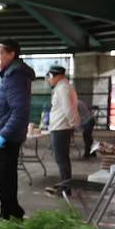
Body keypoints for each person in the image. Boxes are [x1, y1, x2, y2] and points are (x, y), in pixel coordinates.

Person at [0, 38, 35, 220]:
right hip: (5, 136)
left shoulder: (14, 75)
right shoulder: (12, 74)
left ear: (12, 54)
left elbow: (20, 110)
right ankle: (9, 213)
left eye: (0, 52)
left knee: (3, 178)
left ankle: (11, 215)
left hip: (6, 138)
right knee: (4, 178)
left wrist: (4, 135)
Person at [44, 65, 80, 195]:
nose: (49, 81)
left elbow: (68, 109)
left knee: (62, 160)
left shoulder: (63, 88)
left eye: (49, 77)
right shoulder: (64, 87)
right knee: (62, 159)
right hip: (61, 127)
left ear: (56, 76)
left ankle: (65, 189)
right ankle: (65, 186)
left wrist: (73, 123)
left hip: (61, 128)